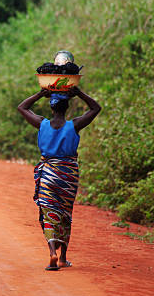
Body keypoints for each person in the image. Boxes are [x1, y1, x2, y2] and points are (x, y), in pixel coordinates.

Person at [17, 86, 101, 271]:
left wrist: (40, 93)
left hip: (48, 173)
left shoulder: (42, 123)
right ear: (66, 107)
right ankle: (63, 258)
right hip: (67, 175)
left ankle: (52, 253)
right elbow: (96, 108)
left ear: (52, 108)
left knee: (48, 213)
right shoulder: (75, 124)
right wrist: (79, 92)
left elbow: (22, 107)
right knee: (65, 213)